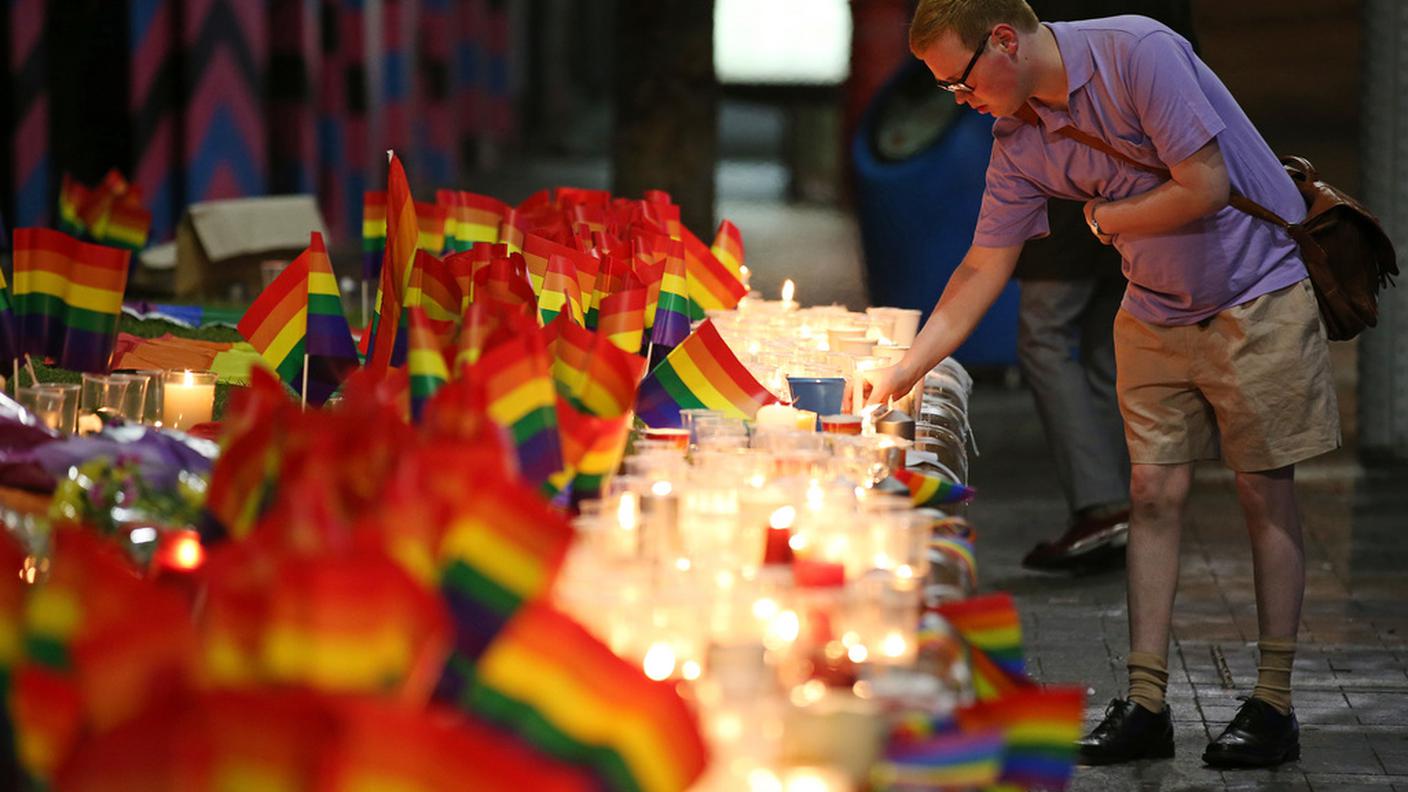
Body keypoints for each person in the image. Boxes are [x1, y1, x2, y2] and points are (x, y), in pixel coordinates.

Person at [865, 0, 1339, 769]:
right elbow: (984, 266)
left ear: (1005, 42)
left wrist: (1106, 219)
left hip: (1256, 296)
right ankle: (1147, 701)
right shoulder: (1018, 136)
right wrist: (901, 370)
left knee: (1263, 489)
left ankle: (1274, 702)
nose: (964, 101)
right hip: (1151, 307)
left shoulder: (1138, 52)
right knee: (1150, 492)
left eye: (961, 82)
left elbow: (1206, 184)